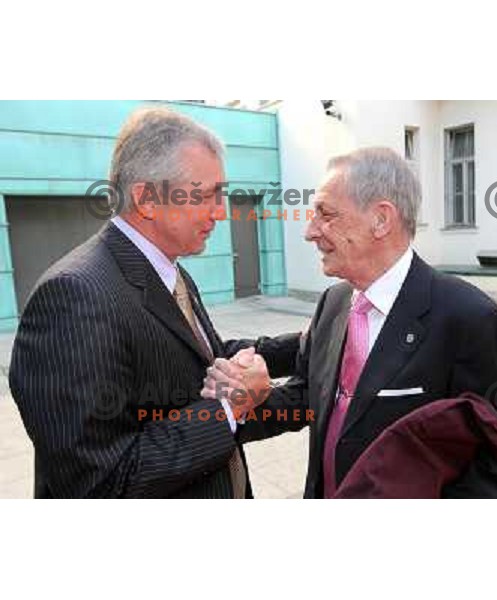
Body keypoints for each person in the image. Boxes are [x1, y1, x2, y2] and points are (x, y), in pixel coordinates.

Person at [9, 107, 300, 498]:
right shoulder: (74, 296)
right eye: (208, 195)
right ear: (147, 199)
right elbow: (100, 483)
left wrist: (313, 343)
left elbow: (207, 361)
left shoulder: (171, 270)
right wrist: (228, 407)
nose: (220, 212)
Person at [203, 147, 497, 498]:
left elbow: (495, 466)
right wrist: (240, 407)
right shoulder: (333, 302)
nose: (310, 232)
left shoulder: (471, 319)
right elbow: (308, 395)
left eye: (326, 214)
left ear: (381, 219)